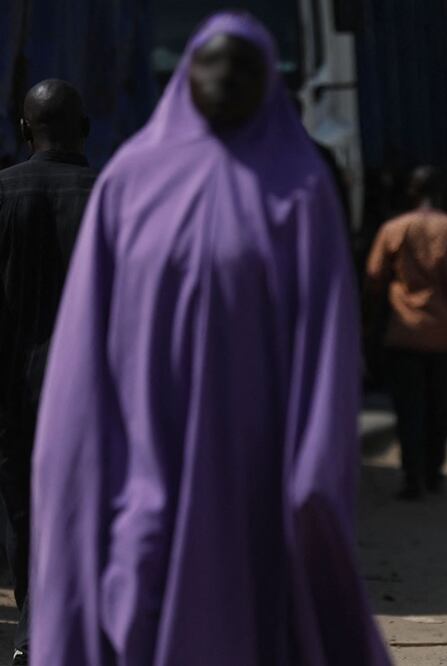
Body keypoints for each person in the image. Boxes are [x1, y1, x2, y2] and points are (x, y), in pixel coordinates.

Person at [30, 13, 390, 665]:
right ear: (185, 75)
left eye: (245, 66)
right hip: (144, 469)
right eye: (211, 62)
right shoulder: (129, 183)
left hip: (259, 475)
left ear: (271, 83)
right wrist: (77, 466)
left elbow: (327, 351)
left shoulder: (302, 190)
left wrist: (312, 483)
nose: (226, 76)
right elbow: (85, 346)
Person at [0, 78, 95, 666]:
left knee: (23, 511)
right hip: (92, 389)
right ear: (85, 128)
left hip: (12, 388)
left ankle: (35, 631)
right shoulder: (116, 196)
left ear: (22, 129)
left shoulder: (1, 193)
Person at [365, 165, 447, 500]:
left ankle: (411, 476)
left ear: (411, 192)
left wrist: (367, 327)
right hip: (446, 336)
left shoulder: (394, 229)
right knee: (439, 406)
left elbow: (373, 282)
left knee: (409, 408)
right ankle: (434, 472)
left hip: (404, 334)